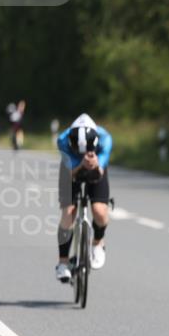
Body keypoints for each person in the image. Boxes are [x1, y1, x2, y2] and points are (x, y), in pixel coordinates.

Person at [54, 114, 114, 281]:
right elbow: (70, 172)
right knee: (69, 212)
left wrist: (96, 164)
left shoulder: (105, 139)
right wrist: (81, 164)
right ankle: (63, 263)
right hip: (71, 167)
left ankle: (98, 243)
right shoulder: (63, 141)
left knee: (99, 211)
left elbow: (100, 171)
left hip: (95, 166)